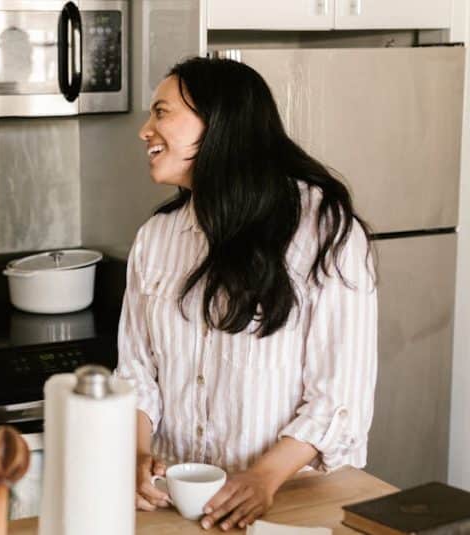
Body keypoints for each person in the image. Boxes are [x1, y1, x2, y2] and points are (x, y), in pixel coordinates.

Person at [118, 56, 377, 531]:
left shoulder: (323, 230)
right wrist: (136, 452)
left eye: (161, 112)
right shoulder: (155, 238)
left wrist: (262, 478)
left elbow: (340, 397)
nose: (145, 130)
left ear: (219, 123)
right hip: (177, 504)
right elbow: (137, 371)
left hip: (291, 501)